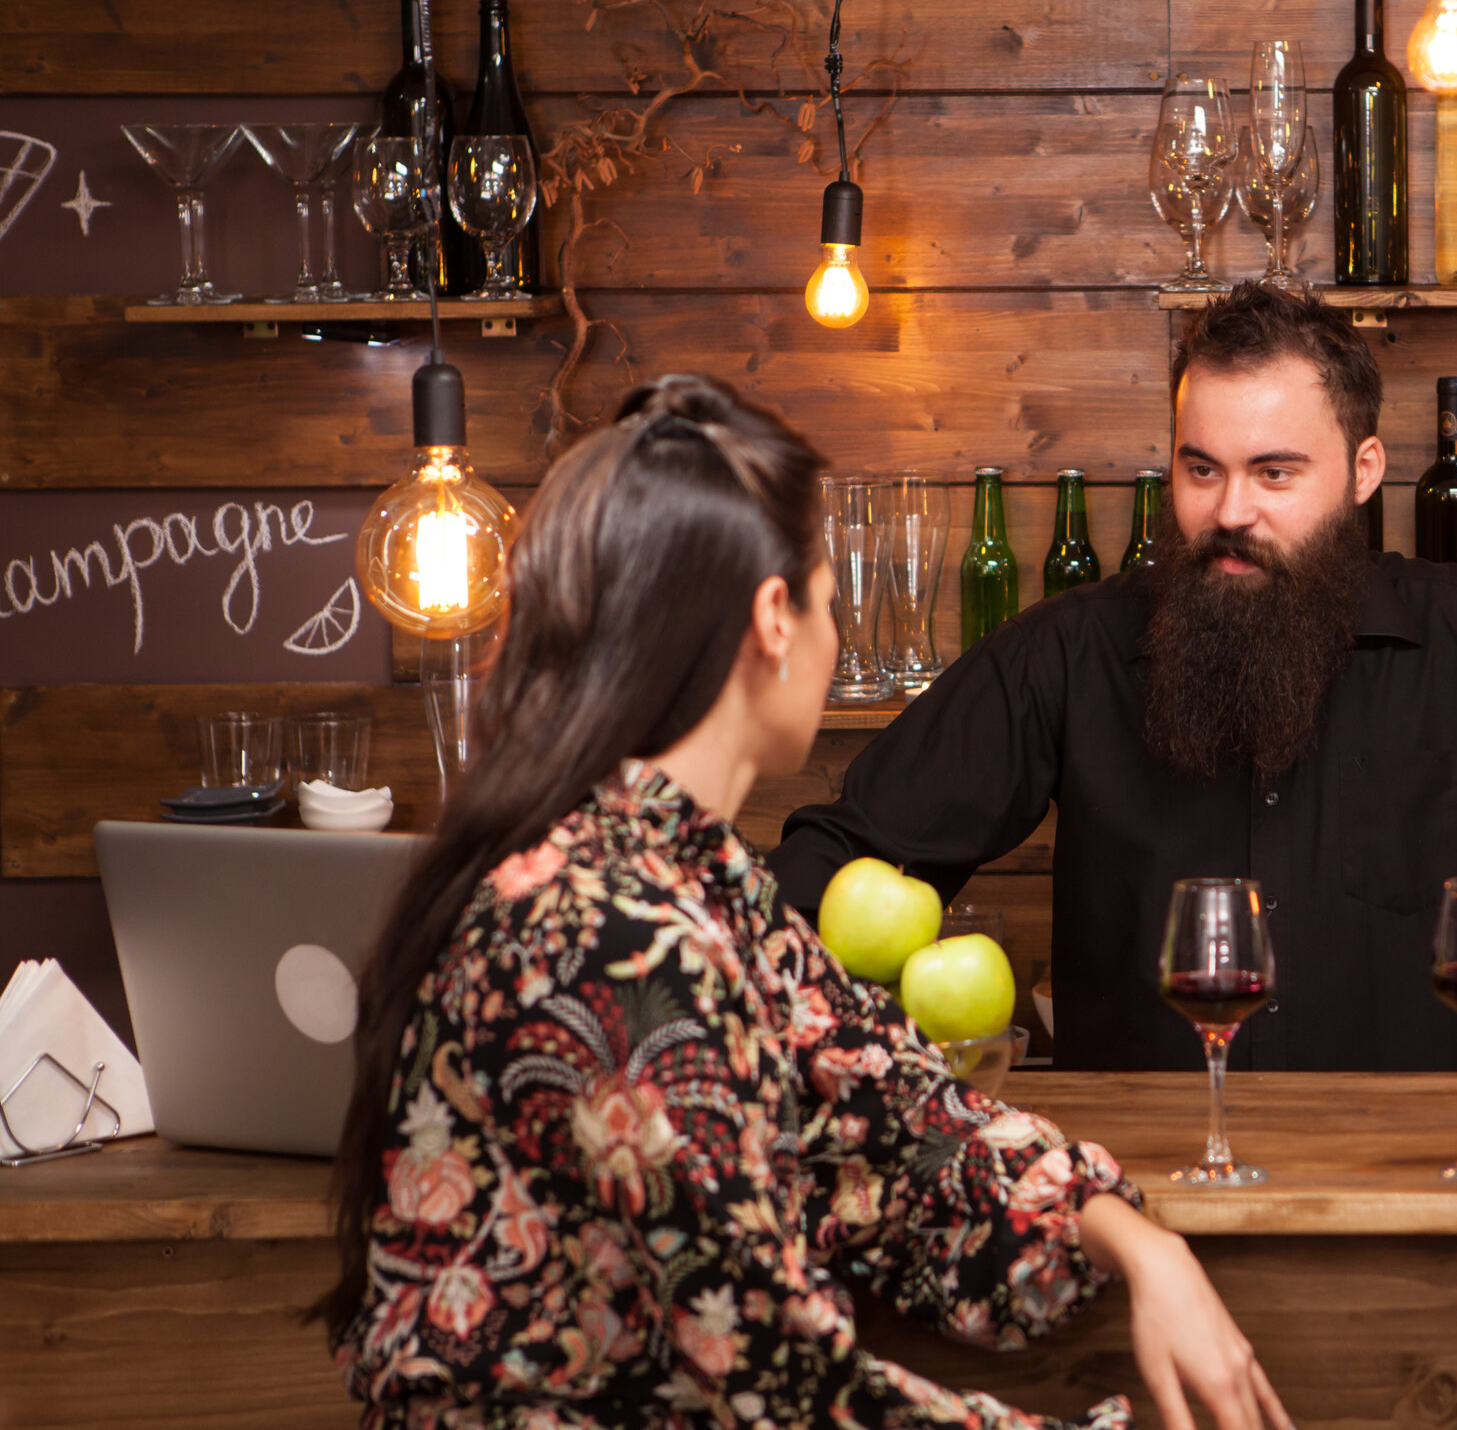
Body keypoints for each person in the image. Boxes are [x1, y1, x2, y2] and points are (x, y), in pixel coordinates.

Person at [323, 376, 1291, 1430]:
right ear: (773, 619)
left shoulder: (696, 879)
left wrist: (1130, 1236)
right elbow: (775, 1378)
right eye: (829, 597)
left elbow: (899, 1099)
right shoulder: (608, 931)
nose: (834, 636)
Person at [771, 284, 1457, 1071]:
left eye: (1274, 472)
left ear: (1364, 469)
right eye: (1200, 469)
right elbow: (848, 850)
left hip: (1408, 1200)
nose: (1230, 509)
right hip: (1134, 1199)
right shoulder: (1066, 652)